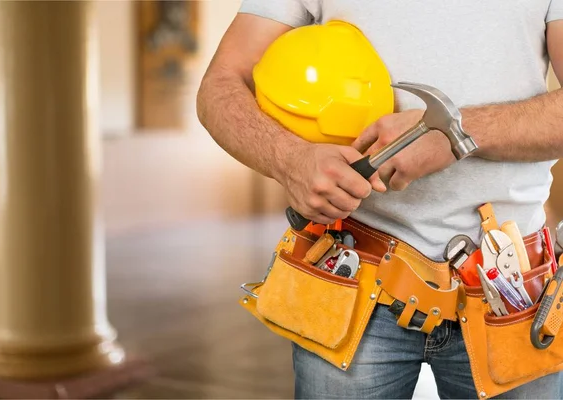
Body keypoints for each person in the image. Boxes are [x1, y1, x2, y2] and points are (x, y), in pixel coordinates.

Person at [196, 1, 563, 398]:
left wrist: (459, 133)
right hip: (349, 274)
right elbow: (221, 83)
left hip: (509, 292)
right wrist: (290, 160)